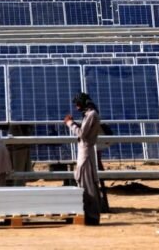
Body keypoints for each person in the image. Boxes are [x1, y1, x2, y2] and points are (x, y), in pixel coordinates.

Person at [64, 93, 101, 225]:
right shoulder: (89, 114)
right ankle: (87, 214)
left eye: (78, 104)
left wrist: (70, 123)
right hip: (84, 153)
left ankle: (92, 216)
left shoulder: (91, 115)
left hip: (86, 155)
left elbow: (82, 134)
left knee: (87, 186)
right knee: (84, 184)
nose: (77, 107)